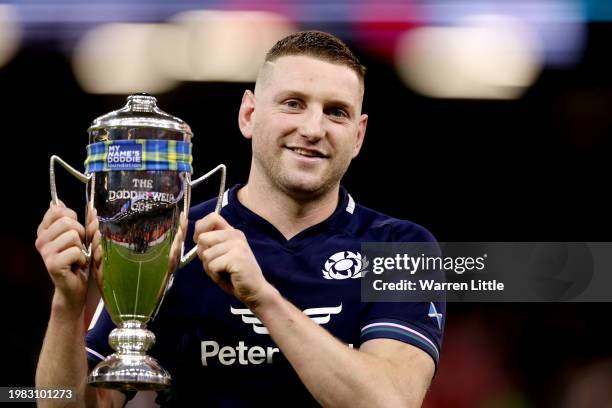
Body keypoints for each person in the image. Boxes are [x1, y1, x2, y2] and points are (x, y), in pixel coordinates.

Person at [35, 31, 445, 407]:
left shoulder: (403, 247)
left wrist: (262, 298)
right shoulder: (172, 239)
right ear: (248, 115)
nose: (313, 128)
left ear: (358, 135)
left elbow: (391, 402)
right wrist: (66, 306)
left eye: (336, 112)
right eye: (293, 103)